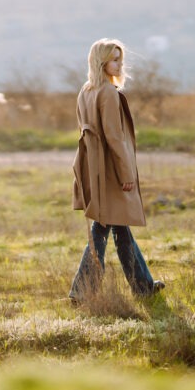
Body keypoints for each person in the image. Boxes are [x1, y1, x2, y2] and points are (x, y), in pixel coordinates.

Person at [69, 38, 164, 302]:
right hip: (110, 171)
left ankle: (144, 286)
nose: (119, 64)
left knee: (119, 228)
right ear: (101, 62)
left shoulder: (85, 90)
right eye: (114, 59)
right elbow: (114, 137)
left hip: (94, 167)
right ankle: (81, 292)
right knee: (102, 228)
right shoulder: (109, 93)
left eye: (120, 59)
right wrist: (126, 175)